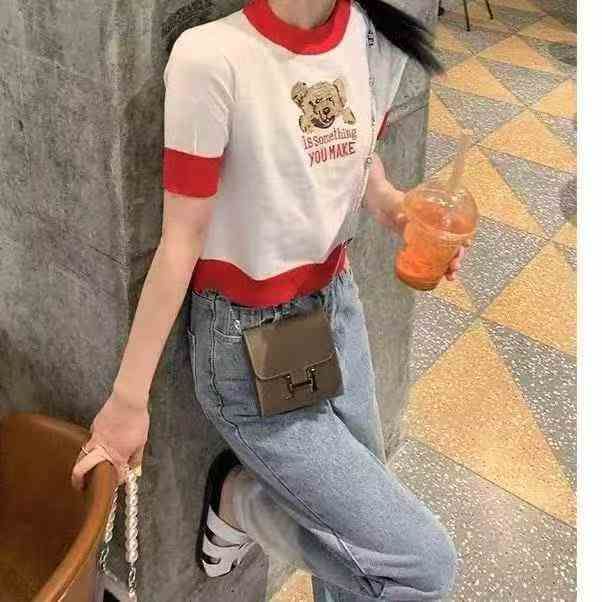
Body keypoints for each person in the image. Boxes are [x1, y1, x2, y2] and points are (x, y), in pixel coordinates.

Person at [72, 1, 466, 599]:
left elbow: (358, 160)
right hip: (247, 339)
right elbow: (181, 242)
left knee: (362, 550)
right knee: (419, 565)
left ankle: (247, 504)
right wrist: (127, 403)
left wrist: (395, 207)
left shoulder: (367, 36)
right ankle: (247, 504)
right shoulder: (211, 57)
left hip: (334, 307)